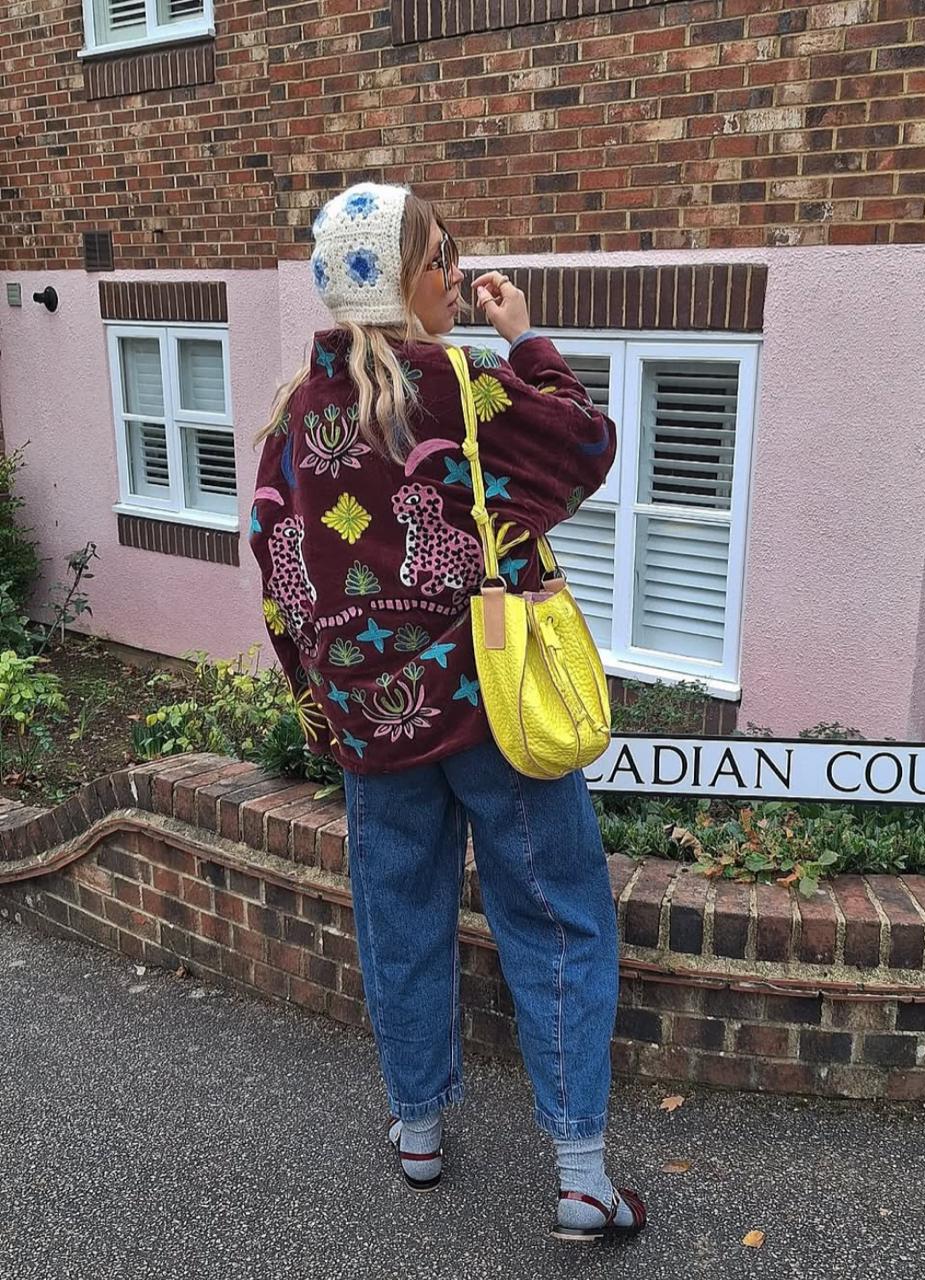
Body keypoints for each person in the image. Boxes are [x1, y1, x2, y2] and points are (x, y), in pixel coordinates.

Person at [248, 182, 647, 1244]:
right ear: (406, 278)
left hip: (373, 731)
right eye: (444, 256)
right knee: (554, 915)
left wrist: (322, 709)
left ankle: (418, 1129)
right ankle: (579, 1175)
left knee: (401, 920)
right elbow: (584, 446)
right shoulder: (463, 384)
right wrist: (529, 339)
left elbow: (278, 565)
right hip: (495, 713)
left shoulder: (292, 415)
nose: (459, 274)